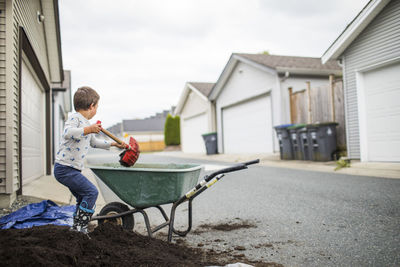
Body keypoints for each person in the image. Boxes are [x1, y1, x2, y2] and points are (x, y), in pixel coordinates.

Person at [54, 86, 126, 234]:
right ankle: (81, 228)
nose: (97, 110)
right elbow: (68, 133)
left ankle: (76, 227)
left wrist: (113, 144)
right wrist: (89, 129)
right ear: (91, 106)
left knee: (83, 196)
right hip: (64, 168)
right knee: (91, 192)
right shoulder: (75, 118)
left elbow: (94, 142)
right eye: (97, 106)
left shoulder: (87, 124)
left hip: (72, 170)